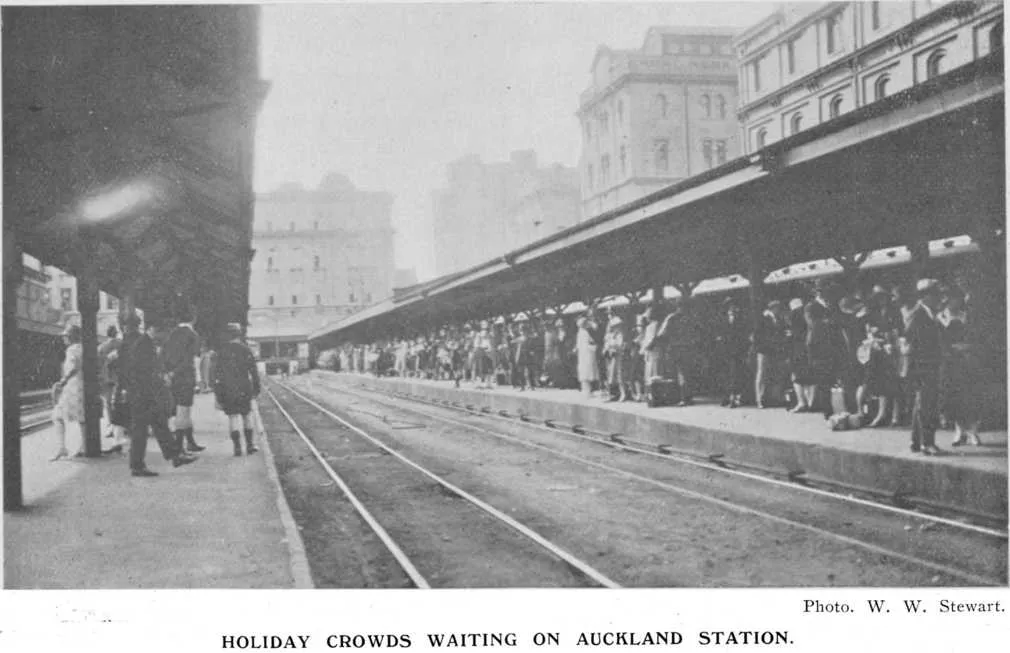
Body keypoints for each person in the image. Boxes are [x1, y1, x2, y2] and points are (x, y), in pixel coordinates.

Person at [120, 314, 197, 477]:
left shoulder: (146, 343)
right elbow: (142, 371)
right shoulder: (143, 345)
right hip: (142, 394)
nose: (165, 336)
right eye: (163, 332)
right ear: (154, 330)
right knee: (141, 430)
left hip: (145, 393)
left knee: (159, 423)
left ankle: (174, 456)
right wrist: (159, 381)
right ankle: (137, 466)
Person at [905, 279, 944, 456]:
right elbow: (911, 341)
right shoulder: (918, 315)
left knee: (922, 404)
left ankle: (916, 441)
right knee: (927, 404)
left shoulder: (927, 313)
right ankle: (927, 443)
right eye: (935, 295)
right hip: (923, 366)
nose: (939, 298)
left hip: (927, 365)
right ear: (926, 296)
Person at [938, 289, 981, 447]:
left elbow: (976, 337)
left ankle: (973, 432)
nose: (955, 302)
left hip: (968, 360)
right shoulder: (941, 318)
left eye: (957, 299)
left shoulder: (967, 316)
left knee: (970, 395)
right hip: (950, 362)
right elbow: (939, 341)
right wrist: (951, 350)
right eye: (952, 299)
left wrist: (968, 347)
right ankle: (959, 430)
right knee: (954, 396)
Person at [214, 323, 262, 456]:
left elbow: (217, 374)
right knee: (247, 415)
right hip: (244, 387)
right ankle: (250, 445)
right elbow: (253, 371)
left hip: (228, 389)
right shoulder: (245, 350)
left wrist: (218, 393)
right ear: (239, 334)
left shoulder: (222, 352)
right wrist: (256, 388)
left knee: (233, 417)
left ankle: (237, 448)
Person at [161, 309, 205, 453]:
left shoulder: (171, 334)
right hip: (185, 376)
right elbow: (192, 360)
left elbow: (163, 355)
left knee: (181, 410)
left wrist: (168, 373)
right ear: (194, 319)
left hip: (172, 377)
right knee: (183, 411)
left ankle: (190, 442)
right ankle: (179, 447)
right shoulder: (193, 335)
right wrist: (199, 380)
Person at [805, 279, 847, 418]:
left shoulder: (832, 306)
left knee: (834, 378)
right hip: (819, 347)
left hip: (833, 346)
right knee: (823, 381)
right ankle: (827, 412)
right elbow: (813, 325)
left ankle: (838, 409)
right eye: (822, 291)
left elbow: (839, 322)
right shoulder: (811, 307)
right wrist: (829, 323)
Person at [51, 324, 86, 461]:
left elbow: (73, 367)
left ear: (71, 336)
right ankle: (84, 446)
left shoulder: (71, 349)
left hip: (72, 387)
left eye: (65, 336)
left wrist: (63, 380)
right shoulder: (83, 348)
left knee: (57, 416)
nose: (64, 338)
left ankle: (62, 448)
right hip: (82, 387)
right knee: (82, 418)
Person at [753, 300, 789, 408]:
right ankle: (760, 399)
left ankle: (773, 397)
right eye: (777, 308)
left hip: (775, 350)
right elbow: (757, 335)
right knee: (762, 373)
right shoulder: (763, 319)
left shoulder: (779, 319)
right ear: (772, 308)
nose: (779, 310)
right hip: (764, 350)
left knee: (774, 373)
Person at [98, 325, 127, 453]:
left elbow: (99, 362)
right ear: (116, 333)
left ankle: (111, 426)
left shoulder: (102, 347)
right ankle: (121, 427)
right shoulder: (122, 344)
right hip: (120, 377)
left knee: (108, 403)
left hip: (107, 378)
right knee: (120, 403)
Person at [717, 299, 750, 408]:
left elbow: (744, 335)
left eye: (734, 306)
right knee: (726, 374)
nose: (732, 308)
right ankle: (726, 397)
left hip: (737, 352)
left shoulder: (741, 319)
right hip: (725, 351)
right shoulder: (722, 319)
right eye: (730, 306)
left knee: (735, 374)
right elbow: (719, 333)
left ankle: (734, 398)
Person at [604, 316, 631, 401]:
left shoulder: (620, 335)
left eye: (617, 326)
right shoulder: (610, 335)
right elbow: (607, 345)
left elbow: (620, 344)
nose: (616, 328)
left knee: (620, 375)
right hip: (611, 357)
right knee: (610, 375)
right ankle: (612, 394)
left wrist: (612, 345)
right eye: (614, 326)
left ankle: (623, 393)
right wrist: (608, 347)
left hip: (619, 356)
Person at [576, 315, 599, 398]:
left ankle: (586, 390)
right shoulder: (583, 333)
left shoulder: (581, 332)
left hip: (583, 354)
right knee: (587, 372)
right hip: (586, 354)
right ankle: (587, 391)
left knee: (585, 371)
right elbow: (587, 344)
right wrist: (594, 347)